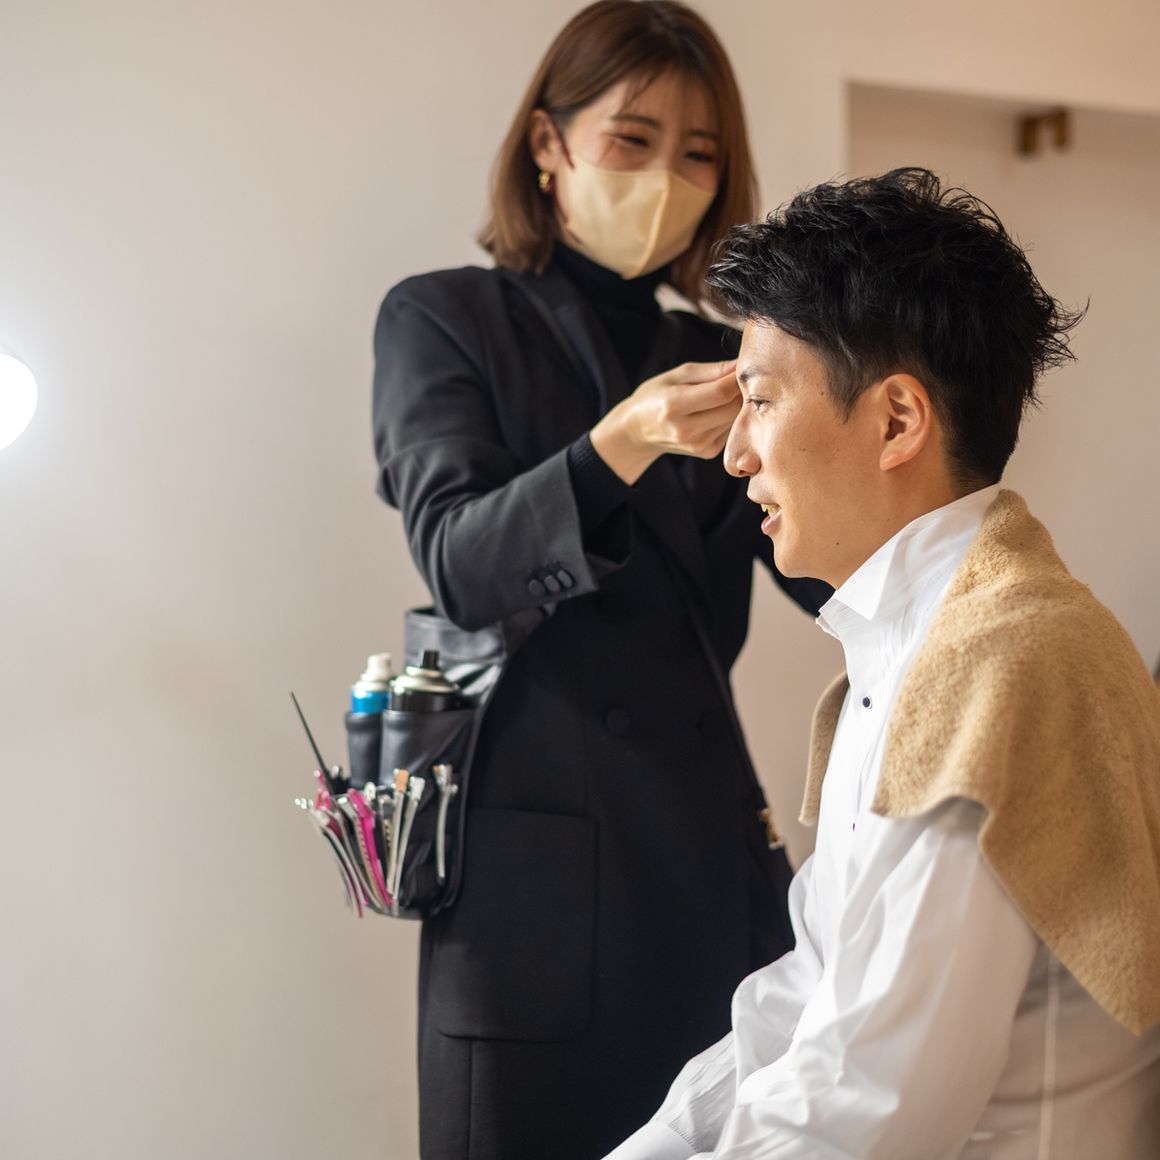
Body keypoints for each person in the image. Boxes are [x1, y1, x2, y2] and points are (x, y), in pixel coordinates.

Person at [606, 168, 1160, 1159]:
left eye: (759, 400)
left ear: (898, 421)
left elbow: (871, 1099)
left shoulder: (1001, 663)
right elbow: (802, 1003)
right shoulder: (918, 644)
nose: (735, 454)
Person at [370, 4, 830, 1157]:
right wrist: (618, 441)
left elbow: (827, 572)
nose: (664, 177)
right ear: (547, 143)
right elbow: (462, 564)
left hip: (702, 863)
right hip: (530, 891)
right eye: (632, 138)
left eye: (699, 153)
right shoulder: (444, 317)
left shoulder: (728, 352)